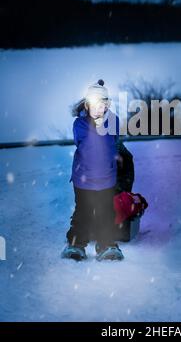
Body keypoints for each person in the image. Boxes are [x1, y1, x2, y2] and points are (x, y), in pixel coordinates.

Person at [61, 79, 124, 262]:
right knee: (83, 212)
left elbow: (114, 143)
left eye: (103, 104)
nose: (99, 108)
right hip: (84, 179)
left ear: (107, 105)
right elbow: (81, 142)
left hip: (106, 178)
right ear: (86, 105)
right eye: (95, 105)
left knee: (105, 212)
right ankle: (76, 244)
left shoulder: (113, 121)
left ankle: (106, 244)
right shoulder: (79, 124)